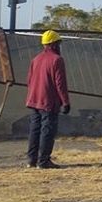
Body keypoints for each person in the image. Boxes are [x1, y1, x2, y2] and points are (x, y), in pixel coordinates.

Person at [25, 30, 70, 169]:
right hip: (48, 101)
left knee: (34, 130)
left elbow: (29, 80)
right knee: (47, 131)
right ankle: (44, 161)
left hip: (33, 100)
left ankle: (31, 160)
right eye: (58, 43)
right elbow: (60, 83)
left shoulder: (36, 59)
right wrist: (65, 102)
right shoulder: (57, 59)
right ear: (54, 44)